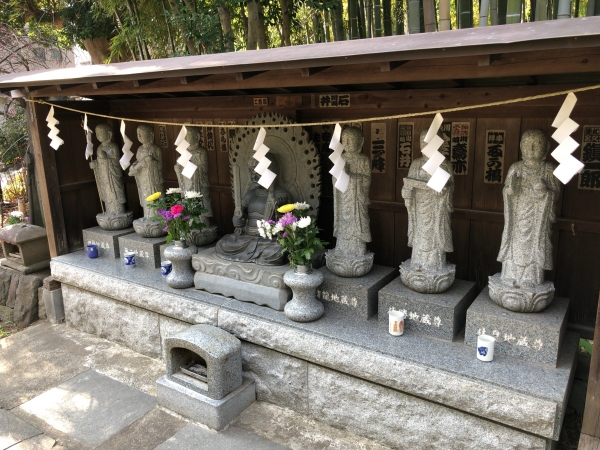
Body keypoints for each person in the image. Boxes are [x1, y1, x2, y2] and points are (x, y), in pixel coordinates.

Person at [497, 128, 559, 288]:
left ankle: (531, 278)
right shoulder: (515, 168)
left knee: (536, 245)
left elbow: (555, 195)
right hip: (517, 218)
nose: (531, 148)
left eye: (537, 144)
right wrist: (510, 190)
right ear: (520, 145)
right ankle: (510, 275)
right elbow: (507, 190)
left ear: (546, 147)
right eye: (527, 143)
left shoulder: (549, 169)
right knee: (513, 244)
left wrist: (545, 193)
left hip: (537, 220)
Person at [215, 157, 293, 265]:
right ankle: (255, 256)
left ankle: (257, 255)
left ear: (270, 173)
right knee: (222, 244)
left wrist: (276, 210)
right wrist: (237, 220)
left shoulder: (282, 195)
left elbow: (289, 222)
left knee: (278, 252)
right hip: (247, 238)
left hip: (269, 240)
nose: (254, 177)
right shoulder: (250, 195)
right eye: (251, 173)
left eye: (258, 173)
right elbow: (240, 215)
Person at [402, 130, 454, 272]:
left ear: (440, 145)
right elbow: (407, 186)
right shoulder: (416, 164)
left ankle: (435, 263)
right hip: (419, 208)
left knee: (435, 235)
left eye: (431, 142)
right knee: (420, 234)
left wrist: (444, 191)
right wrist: (407, 193)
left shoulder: (444, 165)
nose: (426, 146)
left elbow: (450, 187)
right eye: (423, 142)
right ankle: (417, 261)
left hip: (437, 208)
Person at [332, 126, 371, 257]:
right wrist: (340, 175)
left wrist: (350, 176)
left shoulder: (363, 159)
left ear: (361, 141)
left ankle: (359, 248)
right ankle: (341, 247)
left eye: (351, 139)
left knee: (358, 222)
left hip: (358, 201)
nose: (348, 143)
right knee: (343, 221)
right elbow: (334, 180)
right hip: (343, 199)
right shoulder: (340, 159)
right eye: (345, 140)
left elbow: (367, 181)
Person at [175, 127, 212, 227]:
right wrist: (179, 166)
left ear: (197, 137)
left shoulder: (201, 152)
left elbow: (204, 168)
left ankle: (203, 223)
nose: (186, 138)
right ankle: (190, 223)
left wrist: (192, 166)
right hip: (188, 183)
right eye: (185, 136)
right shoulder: (184, 153)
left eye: (189, 136)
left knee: (201, 203)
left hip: (199, 183)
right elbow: (179, 168)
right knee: (189, 203)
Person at [90, 123, 126, 215]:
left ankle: (118, 211)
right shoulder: (99, 148)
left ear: (109, 134)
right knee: (107, 193)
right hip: (104, 176)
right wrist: (95, 164)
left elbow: (117, 162)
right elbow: (99, 162)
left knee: (115, 193)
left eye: (100, 133)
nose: (98, 136)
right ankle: (109, 211)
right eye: (97, 133)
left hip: (112, 175)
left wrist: (106, 158)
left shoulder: (113, 146)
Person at [129, 124, 164, 218]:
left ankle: (158, 217)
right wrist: (135, 167)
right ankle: (147, 216)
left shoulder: (156, 149)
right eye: (138, 134)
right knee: (145, 196)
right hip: (143, 178)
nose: (139, 136)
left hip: (153, 178)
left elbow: (160, 165)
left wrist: (151, 162)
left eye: (142, 133)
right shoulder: (140, 149)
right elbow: (138, 161)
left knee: (155, 196)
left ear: (151, 135)